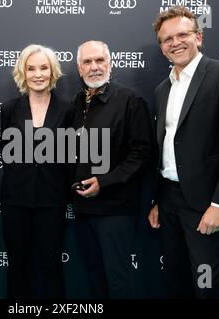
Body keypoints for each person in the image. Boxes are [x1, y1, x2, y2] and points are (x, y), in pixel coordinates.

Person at [148, 6, 219, 298]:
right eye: (167, 39)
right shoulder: (162, 89)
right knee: (175, 278)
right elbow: (166, 146)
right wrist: (158, 199)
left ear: (199, 37)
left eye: (182, 34)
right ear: (161, 47)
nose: (175, 42)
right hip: (168, 200)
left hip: (205, 202)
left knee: (205, 284)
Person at [71, 40, 154, 298]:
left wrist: (104, 183)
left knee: (117, 279)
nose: (94, 67)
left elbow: (142, 153)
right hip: (83, 210)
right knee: (94, 276)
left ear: (111, 64)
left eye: (100, 60)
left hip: (116, 210)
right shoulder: (76, 103)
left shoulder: (131, 101)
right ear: (79, 68)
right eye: (87, 62)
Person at [0, 44, 73, 299]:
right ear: (23, 72)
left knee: (51, 265)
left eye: (43, 68)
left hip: (52, 200)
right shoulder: (9, 108)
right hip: (15, 200)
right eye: (31, 68)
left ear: (53, 72)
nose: (38, 74)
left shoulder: (67, 109)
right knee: (17, 267)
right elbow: (7, 154)